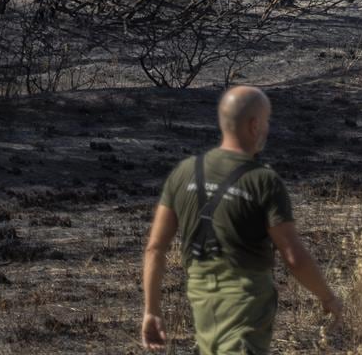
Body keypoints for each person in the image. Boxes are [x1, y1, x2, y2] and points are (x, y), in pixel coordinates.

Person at [142, 85, 342, 353]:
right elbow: (293, 256)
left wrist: (151, 310)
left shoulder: (185, 172)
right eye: (267, 121)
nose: (267, 128)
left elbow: (155, 248)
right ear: (254, 125)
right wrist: (327, 297)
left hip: (202, 295)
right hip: (246, 302)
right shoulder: (264, 181)